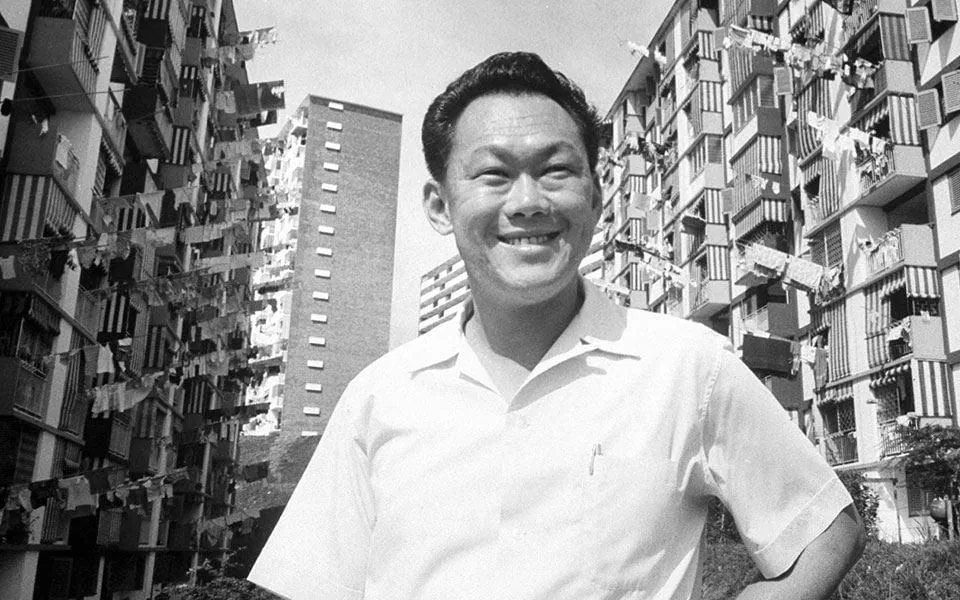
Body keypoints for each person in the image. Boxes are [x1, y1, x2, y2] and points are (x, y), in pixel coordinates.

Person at [248, 51, 865, 600]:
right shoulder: (380, 395)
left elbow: (824, 529)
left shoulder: (687, 366)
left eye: (556, 171)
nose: (527, 202)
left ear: (596, 198)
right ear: (440, 206)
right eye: (494, 174)